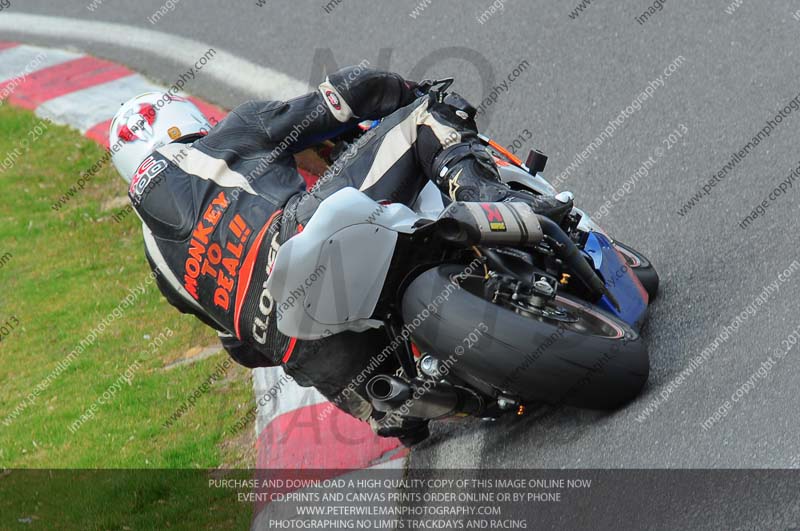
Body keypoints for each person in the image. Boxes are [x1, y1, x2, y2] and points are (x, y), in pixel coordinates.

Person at [111, 67, 572, 446]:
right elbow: (348, 94)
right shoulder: (231, 134)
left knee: (405, 418)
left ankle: (430, 395)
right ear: (186, 123)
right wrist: (406, 92)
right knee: (428, 115)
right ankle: (495, 201)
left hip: (310, 353)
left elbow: (241, 349)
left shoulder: (162, 271)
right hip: (306, 237)